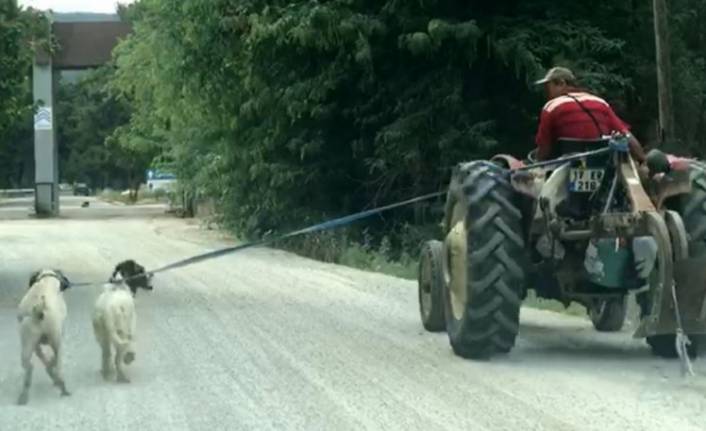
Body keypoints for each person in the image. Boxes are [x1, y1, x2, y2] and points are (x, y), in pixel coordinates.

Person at [533, 67, 646, 163]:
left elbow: (544, 149)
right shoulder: (600, 102)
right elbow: (625, 135)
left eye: (548, 87)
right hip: (602, 161)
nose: (547, 93)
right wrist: (642, 160)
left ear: (562, 83)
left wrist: (536, 163)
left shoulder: (551, 106)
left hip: (567, 164)